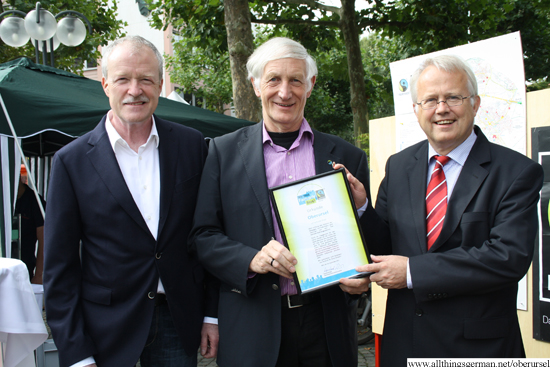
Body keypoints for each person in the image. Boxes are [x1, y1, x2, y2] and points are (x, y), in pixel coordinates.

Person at [189, 37, 379, 367]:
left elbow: (372, 243)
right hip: (253, 326)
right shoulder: (222, 153)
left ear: (311, 84)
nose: (285, 92)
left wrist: (362, 269)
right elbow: (202, 236)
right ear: (255, 84)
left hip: (327, 324)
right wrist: (250, 259)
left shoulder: (347, 156)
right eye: (274, 79)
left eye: (295, 80)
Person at [343, 54, 543, 365]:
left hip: (477, 349)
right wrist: (361, 207)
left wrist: (411, 272)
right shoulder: (399, 166)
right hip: (404, 343)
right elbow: (383, 244)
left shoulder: (516, 172)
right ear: (416, 110)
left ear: (475, 103)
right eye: (430, 100)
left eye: (453, 97)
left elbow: (508, 257)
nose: (441, 109)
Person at [43, 35, 219, 367]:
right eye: (123, 78)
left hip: (177, 321)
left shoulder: (191, 145)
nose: (134, 90)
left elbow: (208, 234)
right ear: (106, 83)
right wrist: (76, 353)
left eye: (146, 79)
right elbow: (59, 269)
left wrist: (212, 315)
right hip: (105, 328)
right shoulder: (72, 161)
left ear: (160, 83)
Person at [14, 164, 45, 284]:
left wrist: (39, 275)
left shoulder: (34, 201)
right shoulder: (5, 201)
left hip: (25, 272)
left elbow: (44, 239)